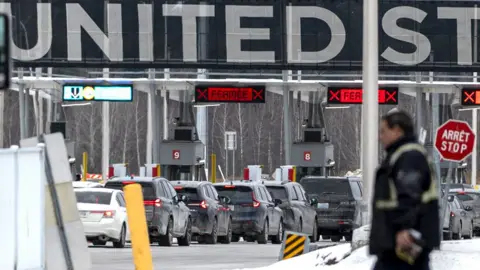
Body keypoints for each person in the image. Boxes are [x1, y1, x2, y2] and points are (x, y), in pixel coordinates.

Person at [370, 110, 440, 270]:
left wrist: (404, 228)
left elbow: (410, 195)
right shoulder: (403, 155)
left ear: (397, 130)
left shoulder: (409, 157)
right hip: (396, 244)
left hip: (403, 243)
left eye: (383, 131)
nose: (380, 137)